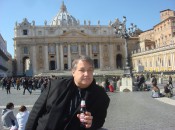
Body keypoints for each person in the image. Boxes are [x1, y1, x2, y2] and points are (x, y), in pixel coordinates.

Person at [25, 55, 110, 130]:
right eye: (82, 70)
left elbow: (100, 120)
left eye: (90, 70)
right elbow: (35, 113)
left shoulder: (101, 95)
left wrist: (92, 123)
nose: (87, 74)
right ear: (73, 72)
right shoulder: (55, 86)